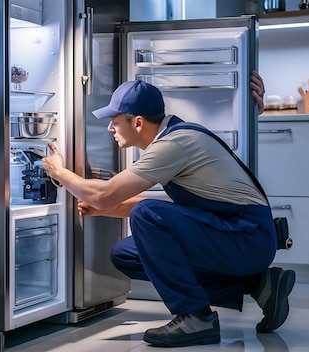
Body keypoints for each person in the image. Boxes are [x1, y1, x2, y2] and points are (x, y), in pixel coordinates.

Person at [41, 72, 295, 348]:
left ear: (137, 122)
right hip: (235, 233)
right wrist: (104, 209)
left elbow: (110, 197)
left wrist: (60, 172)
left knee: (147, 214)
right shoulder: (174, 136)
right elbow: (174, 211)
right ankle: (259, 285)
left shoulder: (172, 144)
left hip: (248, 237)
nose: (109, 129)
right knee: (126, 255)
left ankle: (196, 317)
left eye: (114, 122)